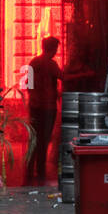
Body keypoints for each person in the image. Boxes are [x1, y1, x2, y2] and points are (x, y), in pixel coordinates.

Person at [26, 37, 63, 184]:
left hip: (35, 106)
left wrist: (34, 97)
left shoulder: (33, 62)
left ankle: (29, 170)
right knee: (44, 139)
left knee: (34, 138)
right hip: (48, 107)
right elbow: (63, 77)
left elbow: (28, 83)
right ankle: (40, 171)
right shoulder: (52, 64)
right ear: (53, 49)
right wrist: (84, 75)